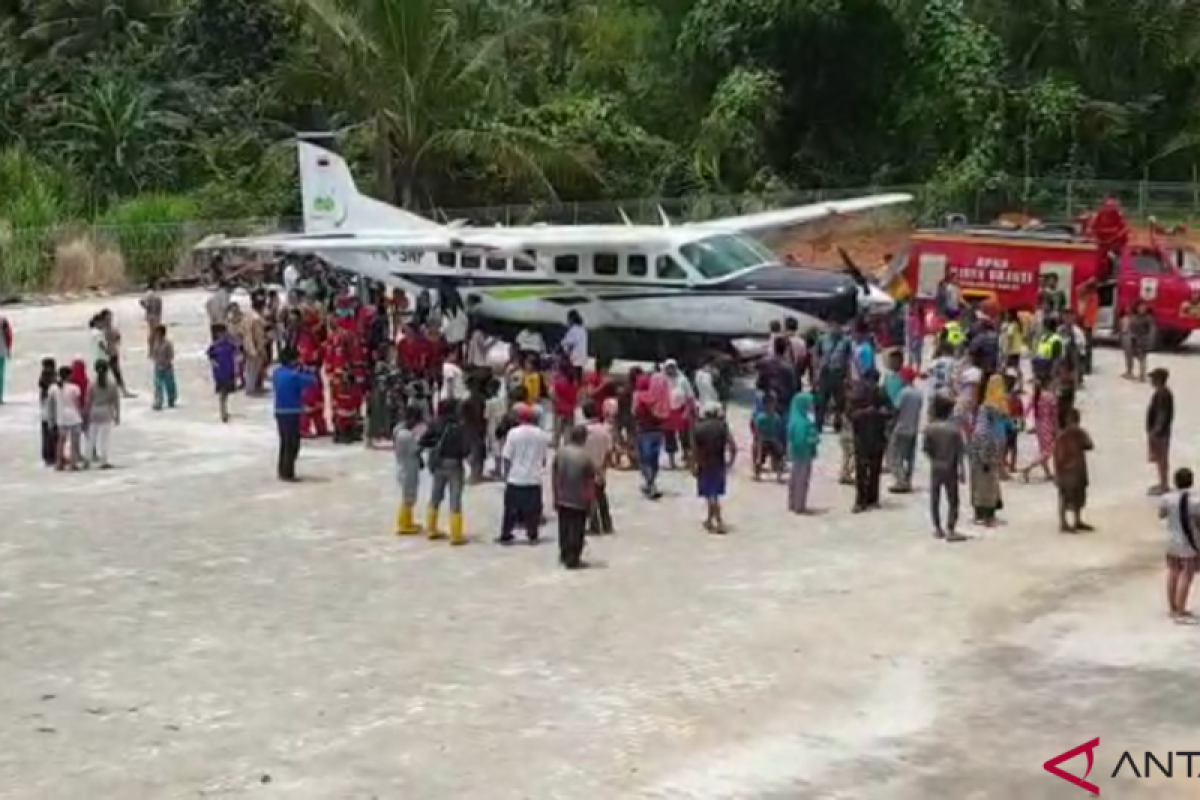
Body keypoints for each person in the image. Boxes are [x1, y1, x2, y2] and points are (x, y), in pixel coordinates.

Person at [419, 399, 469, 545]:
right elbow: (466, 449)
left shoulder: (435, 424)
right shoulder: (459, 426)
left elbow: (423, 441)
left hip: (438, 464)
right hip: (454, 464)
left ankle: (431, 529)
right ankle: (456, 534)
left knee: (435, 495)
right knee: (455, 498)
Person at [499, 403, 550, 545]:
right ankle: (532, 535)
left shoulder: (513, 433)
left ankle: (506, 534)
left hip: (515, 477)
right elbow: (544, 459)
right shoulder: (542, 435)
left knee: (510, 508)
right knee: (533, 509)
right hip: (534, 478)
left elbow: (507, 457)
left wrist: (505, 474)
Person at [553, 424, 596, 569]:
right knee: (577, 530)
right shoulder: (585, 458)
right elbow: (589, 483)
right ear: (583, 438)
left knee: (563, 528)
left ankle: (564, 554)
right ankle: (573, 558)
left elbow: (555, 476)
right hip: (579, 500)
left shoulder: (560, 453)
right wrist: (590, 502)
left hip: (563, 496)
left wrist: (555, 495)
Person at [848, 369, 891, 513]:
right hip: (862, 437)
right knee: (862, 470)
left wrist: (879, 413)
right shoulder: (856, 395)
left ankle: (872, 498)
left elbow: (891, 411)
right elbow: (850, 415)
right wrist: (867, 412)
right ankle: (860, 500)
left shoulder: (881, 394)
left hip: (876, 437)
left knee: (874, 469)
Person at [923, 396, 966, 541]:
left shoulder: (929, 428)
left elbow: (926, 449)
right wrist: (962, 470)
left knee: (935, 498)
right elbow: (960, 452)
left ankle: (937, 528)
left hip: (936, 466)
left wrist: (934, 460)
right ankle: (951, 528)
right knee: (953, 499)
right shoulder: (954, 430)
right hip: (950, 467)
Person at [1160, 467, 1200, 623]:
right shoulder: (1195, 502)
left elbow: (1161, 514)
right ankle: (1181, 608)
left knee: (1173, 572)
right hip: (1188, 541)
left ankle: (1173, 607)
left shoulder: (1167, 498)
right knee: (1186, 574)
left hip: (1172, 540)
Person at [271, 348, 317, 482]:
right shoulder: (294, 376)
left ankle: (282, 469)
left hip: (279, 411)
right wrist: (305, 370)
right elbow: (312, 381)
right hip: (292, 412)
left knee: (284, 442)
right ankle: (288, 472)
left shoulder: (276, 373)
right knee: (293, 444)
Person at [692, 402, 737, 533]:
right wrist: (730, 462)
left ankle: (719, 521)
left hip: (704, 464)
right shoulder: (723, 426)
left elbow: (694, 450)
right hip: (719, 463)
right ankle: (710, 520)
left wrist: (693, 465)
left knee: (710, 494)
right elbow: (733, 447)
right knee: (714, 493)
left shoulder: (698, 427)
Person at [968, 376, 1006, 527]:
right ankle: (988, 515)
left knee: (977, 480)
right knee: (989, 480)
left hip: (976, 445)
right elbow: (1002, 416)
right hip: (986, 445)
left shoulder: (982, 406)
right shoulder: (992, 406)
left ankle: (979, 513)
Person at [1053, 407, 1094, 533]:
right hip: (1066, 472)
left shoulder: (1079, 434)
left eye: (1076, 421)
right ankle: (1063, 523)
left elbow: (1090, 445)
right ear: (1066, 421)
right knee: (1064, 497)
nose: (1074, 424)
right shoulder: (1062, 437)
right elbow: (1057, 457)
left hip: (1078, 471)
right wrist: (1058, 474)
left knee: (1079, 496)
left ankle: (1077, 521)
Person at [887, 366, 922, 493]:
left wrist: (890, 424)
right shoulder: (918, 393)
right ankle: (908, 480)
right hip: (913, 428)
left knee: (894, 456)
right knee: (909, 457)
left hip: (901, 428)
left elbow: (896, 409)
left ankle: (900, 481)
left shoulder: (903, 393)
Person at [634, 372, 669, 498]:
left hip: (644, 432)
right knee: (654, 461)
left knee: (644, 461)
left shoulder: (639, 397)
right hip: (658, 432)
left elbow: (635, 414)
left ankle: (651, 484)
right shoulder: (659, 396)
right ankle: (651, 483)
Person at [393, 403, 425, 535]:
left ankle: (408, 521)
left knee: (409, 496)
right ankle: (403, 524)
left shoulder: (398, 430)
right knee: (408, 497)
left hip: (403, 466)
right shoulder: (406, 435)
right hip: (408, 468)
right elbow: (415, 450)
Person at [582, 401, 614, 534]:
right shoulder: (605, 430)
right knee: (601, 497)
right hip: (600, 467)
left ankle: (594, 525)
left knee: (589, 499)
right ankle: (607, 524)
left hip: (585, 468)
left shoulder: (583, 431)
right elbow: (609, 452)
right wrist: (603, 468)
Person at [813, 321, 851, 431]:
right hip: (825, 373)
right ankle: (818, 424)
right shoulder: (822, 339)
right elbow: (816, 355)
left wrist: (848, 377)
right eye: (833, 326)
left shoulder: (846, 341)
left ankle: (837, 423)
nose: (836, 329)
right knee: (821, 400)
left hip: (839, 374)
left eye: (838, 327)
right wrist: (816, 372)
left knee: (839, 402)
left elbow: (849, 359)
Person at [786, 392, 819, 514]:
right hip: (805, 453)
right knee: (802, 479)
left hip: (795, 453)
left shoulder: (794, 418)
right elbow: (812, 434)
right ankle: (800, 505)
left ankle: (792, 502)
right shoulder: (807, 420)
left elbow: (790, 437)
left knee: (794, 478)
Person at [85, 360, 121, 469]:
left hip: (94, 411)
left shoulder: (92, 383)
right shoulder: (112, 383)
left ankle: (87, 459)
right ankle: (104, 461)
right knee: (104, 439)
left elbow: (88, 400)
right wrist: (117, 415)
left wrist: (86, 413)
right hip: (106, 411)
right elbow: (116, 401)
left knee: (91, 438)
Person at [662, 360, 695, 470]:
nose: (670, 370)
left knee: (684, 436)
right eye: (668, 367)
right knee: (669, 436)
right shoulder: (663, 379)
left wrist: (687, 411)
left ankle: (687, 459)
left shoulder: (683, 380)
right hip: (667, 411)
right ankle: (671, 461)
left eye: (672, 367)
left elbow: (690, 397)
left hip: (681, 411)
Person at [50, 365, 84, 470]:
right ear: (69, 375)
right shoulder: (74, 388)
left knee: (61, 442)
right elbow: (77, 404)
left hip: (61, 417)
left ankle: (59, 463)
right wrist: (82, 415)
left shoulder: (53, 388)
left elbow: (52, 404)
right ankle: (73, 463)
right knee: (74, 442)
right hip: (73, 416)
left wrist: (52, 418)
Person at [1147, 367, 1174, 496]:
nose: (1151, 380)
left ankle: (1164, 485)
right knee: (1159, 459)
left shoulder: (1162, 394)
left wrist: (1156, 431)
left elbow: (1162, 414)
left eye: (1153, 378)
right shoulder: (1161, 392)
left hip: (1160, 433)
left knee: (1162, 459)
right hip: (1160, 431)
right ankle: (1162, 483)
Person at [752, 391, 786, 482]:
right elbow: (757, 432)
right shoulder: (760, 418)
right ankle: (757, 473)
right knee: (759, 456)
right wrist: (757, 442)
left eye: (773, 404)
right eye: (769, 404)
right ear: (764, 405)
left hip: (773, 439)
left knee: (779, 454)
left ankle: (779, 474)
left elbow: (778, 432)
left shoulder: (776, 417)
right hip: (762, 439)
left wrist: (779, 442)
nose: (771, 407)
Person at [206, 323, 238, 423]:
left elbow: (238, 350)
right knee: (223, 394)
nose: (224, 334)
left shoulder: (229, 344)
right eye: (222, 333)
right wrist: (215, 364)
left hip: (229, 372)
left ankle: (224, 410)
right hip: (220, 373)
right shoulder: (214, 346)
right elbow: (210, 357)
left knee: (226, 393)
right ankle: (223, 412)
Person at [149, 324, 178, 410]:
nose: (156, 335)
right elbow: (154, 354)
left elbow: (171, 355)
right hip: (158, 367)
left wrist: (166, 363)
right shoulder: (156, 343)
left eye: (158, 333)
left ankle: (171, 399)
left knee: (170, 385)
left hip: (167, 367)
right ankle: (158, 401)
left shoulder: (168, 343)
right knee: (158, 385)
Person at [38, 358, 58, 466]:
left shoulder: (43, 380)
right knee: (53, 434)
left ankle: (47, 456)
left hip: (45, 413)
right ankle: (53, 455)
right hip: (53, 413)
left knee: (45, 434)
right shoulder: (54, 382)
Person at [560, 310, 588, 382]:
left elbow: (569, 343)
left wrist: (566, 354)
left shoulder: (573, 330)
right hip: (581, 359)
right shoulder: (583, 329)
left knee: (571, 379)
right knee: (579, 378)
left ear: (571, 319)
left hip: (573, 359)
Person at [139, 280, 163, 351]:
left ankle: (153, 349)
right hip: (153, 316)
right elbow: (141, 301)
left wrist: (147, 307)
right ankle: (152, 349)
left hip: (154, 315)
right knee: (153, 333)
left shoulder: (154, 293)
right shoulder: (150, 293)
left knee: (153, 333)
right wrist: (147, 307)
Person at [0, 312, 11, 404]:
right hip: (1, 351)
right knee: (0, 375)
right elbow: (8, 336)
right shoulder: (3, 320)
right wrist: (8, 348)